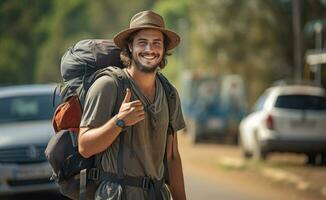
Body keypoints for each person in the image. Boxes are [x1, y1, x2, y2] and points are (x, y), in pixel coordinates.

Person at [78, 10, 187, 200]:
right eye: (142, 42)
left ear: (164, 49)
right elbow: (85, 146)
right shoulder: (109, 86)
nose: (149, 49)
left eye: (156, 43)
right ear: (130, 46)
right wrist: (119, 122)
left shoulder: (169, 93)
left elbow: (172, 157)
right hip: (116, 195)